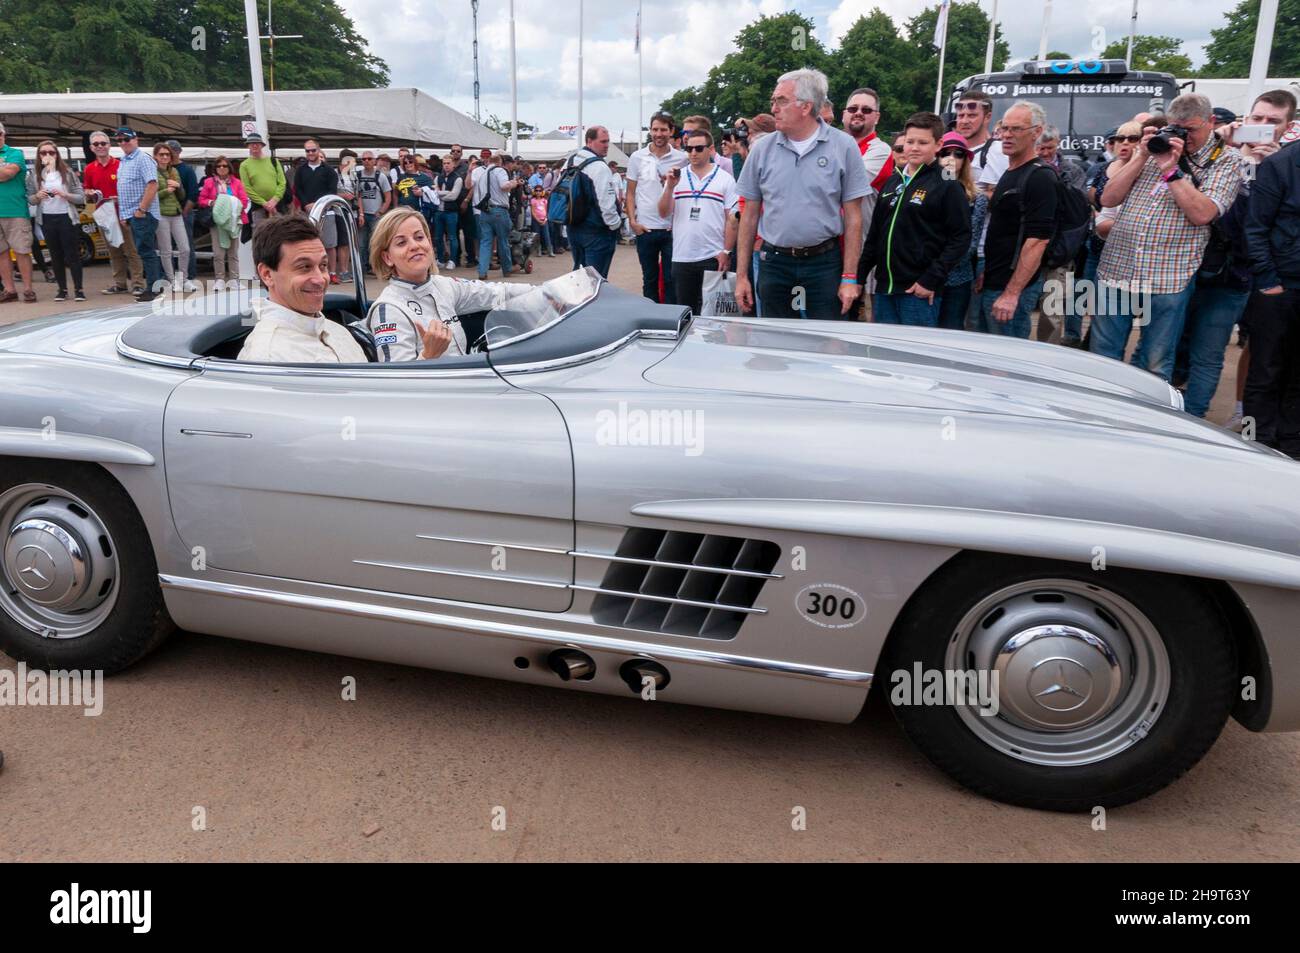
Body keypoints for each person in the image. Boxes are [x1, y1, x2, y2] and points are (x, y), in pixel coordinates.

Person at [1091, 93, 1247, 381]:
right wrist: (1141, 155)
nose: (1182, 137)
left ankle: (1144, 422)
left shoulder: (1226, 160)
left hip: (1169, 276)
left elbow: (1203, 214)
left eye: (1191, 130)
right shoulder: (1152, 149)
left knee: (1154, 362)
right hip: (1118, 268)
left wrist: (1171, 170)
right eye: (1176, 128)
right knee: (1103, 355)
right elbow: (1109, 198)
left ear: (1211, 122)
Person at [735, 68, 870, 319]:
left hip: (824, 265)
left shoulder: (843, 146)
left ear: (806, 106)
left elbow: (854, 217)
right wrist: (742, 276)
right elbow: (749, 214)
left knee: (826, 346)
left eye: (781, 101)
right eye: (773, 101)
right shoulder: (762, 149)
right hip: (774, 263)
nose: (774, 108)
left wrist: (850, 277)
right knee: (776, 348)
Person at [364, 206, 536, 362]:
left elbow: (498, 293)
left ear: (429, 243)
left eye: (419, 237)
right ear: (387, 257)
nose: (415, 245)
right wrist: (428, 355)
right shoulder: (389, 309)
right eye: (401, 242)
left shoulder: (443, 285)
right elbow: (395, 384)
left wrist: (546, 293)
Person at [859, 114, 971, 327]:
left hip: (917, 292)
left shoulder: (947, 183)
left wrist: (931, 279)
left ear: (938, 145)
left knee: (914, 356)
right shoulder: (893, 181)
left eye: (923, 142)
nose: (914, 148)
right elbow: (875, 235)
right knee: (884, 353)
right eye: (910, 142)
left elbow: (961, 238)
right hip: (884, 289)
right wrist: (859, 277)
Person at [1242, 91, 1300, 452]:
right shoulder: (1282, 165)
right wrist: (1269, 283)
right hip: (1279, 289)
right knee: (1264, 371)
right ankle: (1252, 444)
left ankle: (1292, 447)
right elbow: (1256, 227)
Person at [239, 214, 368, 363]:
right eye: (304, 267)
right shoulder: (268, 357)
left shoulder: (338, 330)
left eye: (323, 265)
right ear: (267, 274)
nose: (320, 279)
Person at [976, 102, 1056, 338]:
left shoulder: (1040, 177)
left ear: (1036, 132)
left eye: (1017, 129)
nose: (1007, 135)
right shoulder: (1011, 172)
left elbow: (1038, 241)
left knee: (1004, 366)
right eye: (1004, 129)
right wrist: (988, 272)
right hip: (995, 280)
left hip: (1012, 291)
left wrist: (1012, 293)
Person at [657, 128, 738, 315]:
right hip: (682, 256)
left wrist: (726, 251)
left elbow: (732, 220)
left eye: (699, 148)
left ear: (710, 149)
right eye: (689, 148)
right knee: (686, 314)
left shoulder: (725, 179)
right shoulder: (677, 177)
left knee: (718, 316)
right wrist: (669, 187)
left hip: (713, 256)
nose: (693, 153)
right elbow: (663, 213)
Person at [627, 112, 686, 303]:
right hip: (646, 229)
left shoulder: (682, 158)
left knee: (672, 280)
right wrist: (633, 222)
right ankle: (651, 319)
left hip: (671, 229)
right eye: (655, 129)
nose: (658, 134)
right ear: (650, 130)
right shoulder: (637, 157)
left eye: (663, 129)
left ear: (671, 131)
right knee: (649, 280)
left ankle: (670, 320)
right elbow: (630, 192)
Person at [936, 132, 985, 331]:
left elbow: (970, 243)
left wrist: (939, 267)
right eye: (945, 153)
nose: (951, 159)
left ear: (966, 160)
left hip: (956, 279)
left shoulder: (976, 198)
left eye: (958, 154)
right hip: (923, 276)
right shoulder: (925, 188)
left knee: (950, 334)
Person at [26, 140, 86, 301]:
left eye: (51, 152)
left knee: (72, 254)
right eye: (43, 152)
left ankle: (79, 290)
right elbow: (30, 198)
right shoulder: (34, 175)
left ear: (57, 155)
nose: (47, 155)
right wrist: (38, 196)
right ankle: (62, 289)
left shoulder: (67, 172)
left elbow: (81, 197)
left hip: (66, 217)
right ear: (39, 156)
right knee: (55, 255)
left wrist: (65, 195)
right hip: (47, 218)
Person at [113, 126, 164, 301]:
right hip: (133, 214)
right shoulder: (124, 160)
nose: (123, 143)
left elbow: (152, 184)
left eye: (126, 139)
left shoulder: (142, 158)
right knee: (144, 251)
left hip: (143, 213)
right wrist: (125, 215)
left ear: (135, 140)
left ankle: (154, 288)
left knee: (146, 251)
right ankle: (154, 286)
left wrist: (141, 210)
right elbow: (124, 189)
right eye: (119, 140)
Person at [566, 126, 622, 277]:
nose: (606, 145)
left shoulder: (571, 160)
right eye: (603, 141)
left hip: (573, 228)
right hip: (596, 232)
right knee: (596, 283)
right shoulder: (599, 167)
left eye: (608, 141)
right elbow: (606, 204)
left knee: (581, 280)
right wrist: (616, 224)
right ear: (590, 141)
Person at [842, 87, 895, 225]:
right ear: (844, 114)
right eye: (853, 109)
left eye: (866, 110)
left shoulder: (880, 150)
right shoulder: (830, 144)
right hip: (825, 241)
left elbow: (846, 184)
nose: (858, 113)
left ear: (877, 117)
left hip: (858, 241)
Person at [198, 155, 250, 289]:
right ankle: (219, 279)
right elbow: (201, 200)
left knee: (233, 252)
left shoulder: (237, 182)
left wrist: (232, 204)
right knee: (218, 252)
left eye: (224, 165)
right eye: (219, 166)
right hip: (217, 222)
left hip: (233, 221)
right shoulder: (209, 182)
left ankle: (234, 279)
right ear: (215, 168)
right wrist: (212, 202)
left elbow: (244, 201)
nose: (222, 168)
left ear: (229, 168)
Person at [292, 139, 341, 282]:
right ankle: (311, 272)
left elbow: (331, 190)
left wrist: (318, 204)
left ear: (318, 150)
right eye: (307, 150)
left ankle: (332, 273)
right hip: (307, 212)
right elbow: (298, 189)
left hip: (327, 211)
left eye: (313, 150)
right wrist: (307, 204)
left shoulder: (329, 171)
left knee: (330, 244)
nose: (310, 153)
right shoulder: (301, 170)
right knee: (309, 244)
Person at [0, 122, 38, 303]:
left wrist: (5, 171)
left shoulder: (16, 153)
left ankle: (28, 289)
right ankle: (10, 290)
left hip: (15, 210)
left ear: (3, 134)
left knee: (22, 250)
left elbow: (7, 174)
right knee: (1, 252)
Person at [474, 153, 521, 279]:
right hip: (499, 210)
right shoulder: (500, 170)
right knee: (503, 241)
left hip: (485, 211)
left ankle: (482, 272)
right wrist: (514, 183)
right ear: (500, 162)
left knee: (485, 242)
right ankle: (507, 269)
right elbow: (504, 186)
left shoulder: (483, 174)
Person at [151, 142, 190, 292]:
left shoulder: (174, 171)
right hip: (161, 214)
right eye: (161, 154)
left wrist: (178, 186)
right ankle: (172, 280)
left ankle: (183, 279)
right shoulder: (152, 172)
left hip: (176, 212)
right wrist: (167, 190)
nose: (165, 157)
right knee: (166, 250)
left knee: (185, 248)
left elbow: (182, 195)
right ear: (156, 156)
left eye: (167, 154)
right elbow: (151, 195)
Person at [167, 139, 199, 284]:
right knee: (167, 246)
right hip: (165, 214)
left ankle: (189, 276)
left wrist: (185, 212)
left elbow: (193, 194)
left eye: (171, 151)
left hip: (183, 213)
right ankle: (172, 276)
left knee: (186, 246)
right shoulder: (162, 170)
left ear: (178, 152)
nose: (168, 154)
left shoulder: (187, 170)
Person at [356, 150, 393, 276]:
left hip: (375, 214)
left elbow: (388, 196)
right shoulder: (357, 175)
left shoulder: (380, 176)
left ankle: (375, 267)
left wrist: (381, 211)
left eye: (369, 159)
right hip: (362, 214)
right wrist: (360, 213)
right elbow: (357, 195)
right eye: (364, 159)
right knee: (361, 243)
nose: (366, 161)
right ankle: (362, 268)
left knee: (375, 243)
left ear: (374, 160)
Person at [238, 133, 286, 225]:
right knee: (260, 236)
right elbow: (247, 188)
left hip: (277, 206)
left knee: (280, 235)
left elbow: (282, 182)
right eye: (252, 143)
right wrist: (264, 203)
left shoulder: (274, 161)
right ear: (248, 146)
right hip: (258, 207)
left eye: (257, 143)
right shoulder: (244, 165)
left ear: (262, 145)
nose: (255, 145)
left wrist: (275, 199)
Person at [1035, 127, 1088, 193]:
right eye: (1042, 149)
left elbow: (1080, 199)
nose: (1045, 153)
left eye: (1050, 148)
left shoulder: (1074, 171)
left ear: (1058, 143)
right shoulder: (1027, 169)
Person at [529, 184, 553, 256]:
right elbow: (532, 211)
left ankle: (550, 250)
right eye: (536, 191)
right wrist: (537, 220)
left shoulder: (544, 200)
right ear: (534, 192)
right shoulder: (533, 200)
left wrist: (545, 219)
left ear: (542, 192)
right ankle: (538, 250)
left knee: (547, 235)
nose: (538, 192)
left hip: (544, 220)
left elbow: (547, 210)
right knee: (537, 236)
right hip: (536, 221)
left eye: (540, 191)